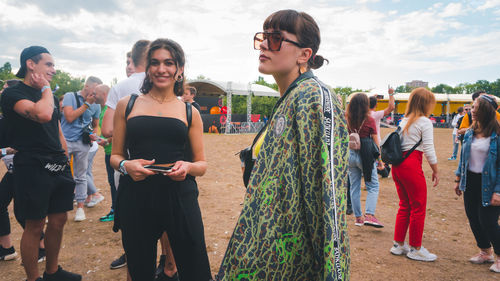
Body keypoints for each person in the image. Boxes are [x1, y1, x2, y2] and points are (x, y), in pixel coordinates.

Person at [217, 10, 350, 280]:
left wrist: (333, 273)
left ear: (304, 54)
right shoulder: (291, 97)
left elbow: (329, 194)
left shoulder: (315, 97)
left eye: (276, 38)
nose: (265, 44)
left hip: (291, 260)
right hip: (262, 253)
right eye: (263, 37)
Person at [110, 38, 212, 281]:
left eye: (169, 63)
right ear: (147, 68)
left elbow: (202, 164)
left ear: (180, 69)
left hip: (180, 196)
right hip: (137, 195)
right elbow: (115, 156)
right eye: (154, 63)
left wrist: (187, 167)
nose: (161, 69)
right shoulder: (128, 104)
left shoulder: (190, 111)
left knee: (195, 267)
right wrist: (126, 166)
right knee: (139, 267)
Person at [1, 46, 81, 281]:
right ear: (30, 64)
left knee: (58, 219)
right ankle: (33, 278)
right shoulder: (12, 94)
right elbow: (42, 115)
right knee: (34, 224)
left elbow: (56, 129)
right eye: (49, 64)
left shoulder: (49, 97)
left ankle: (53, 272)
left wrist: (65, 160)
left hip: (57, 164)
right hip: (32, 165)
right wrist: (46, 89)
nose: (53, 70)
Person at [390, 87, 439, 262]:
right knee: (418, 207)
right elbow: (429, 149)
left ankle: (398, 244)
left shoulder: (404, 120)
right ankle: (416, 248)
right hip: (411, 165)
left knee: (405, 205)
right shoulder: (424, 121)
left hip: (398, 165)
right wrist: (435, 170)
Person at [454, 95, 500, 273]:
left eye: (475, 108)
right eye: (472, 107)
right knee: (473, 217)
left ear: (486, 111)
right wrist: (458, 179)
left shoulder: (497, 135)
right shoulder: (470, 132)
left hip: (490, 182)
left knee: (488, 220)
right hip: (470, 181)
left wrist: (498, 191)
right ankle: (485, 252)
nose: (471, 111)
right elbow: (463, 159)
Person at [61, 76, 102, 222]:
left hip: (83, 143)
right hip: (65, 141)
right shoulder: (69, 96)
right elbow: (69, 117)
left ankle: (80, 208)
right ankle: (56, 207)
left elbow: (95, 124)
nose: (97, 93)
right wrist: (86, 104)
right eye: (95, 89)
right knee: (59, 174)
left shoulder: (96, 104)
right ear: (87, 87)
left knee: (81, 176)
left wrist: (94, 134)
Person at [347, 93, 383, 228]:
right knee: (373, 185)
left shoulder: (347, 118)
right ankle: (369, 215)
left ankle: (358, 218)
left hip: (350, 154)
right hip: (366, 156)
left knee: (354, 187)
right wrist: (380, 159)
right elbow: (375, 141)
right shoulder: (369, 120)